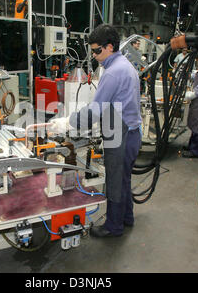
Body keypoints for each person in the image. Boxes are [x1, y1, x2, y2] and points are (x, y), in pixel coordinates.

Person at [48, 24, 142, 237]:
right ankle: (127, 218)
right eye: (92, 51)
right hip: (131, 133)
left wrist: (68, 122)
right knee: (124, 178)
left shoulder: (113, 72)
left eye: (98, 51)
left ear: (110, 47)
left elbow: (94, 111)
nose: (95, 55)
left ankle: (114, 227)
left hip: (122, 135)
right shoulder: (125, 65)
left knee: (115, 182)